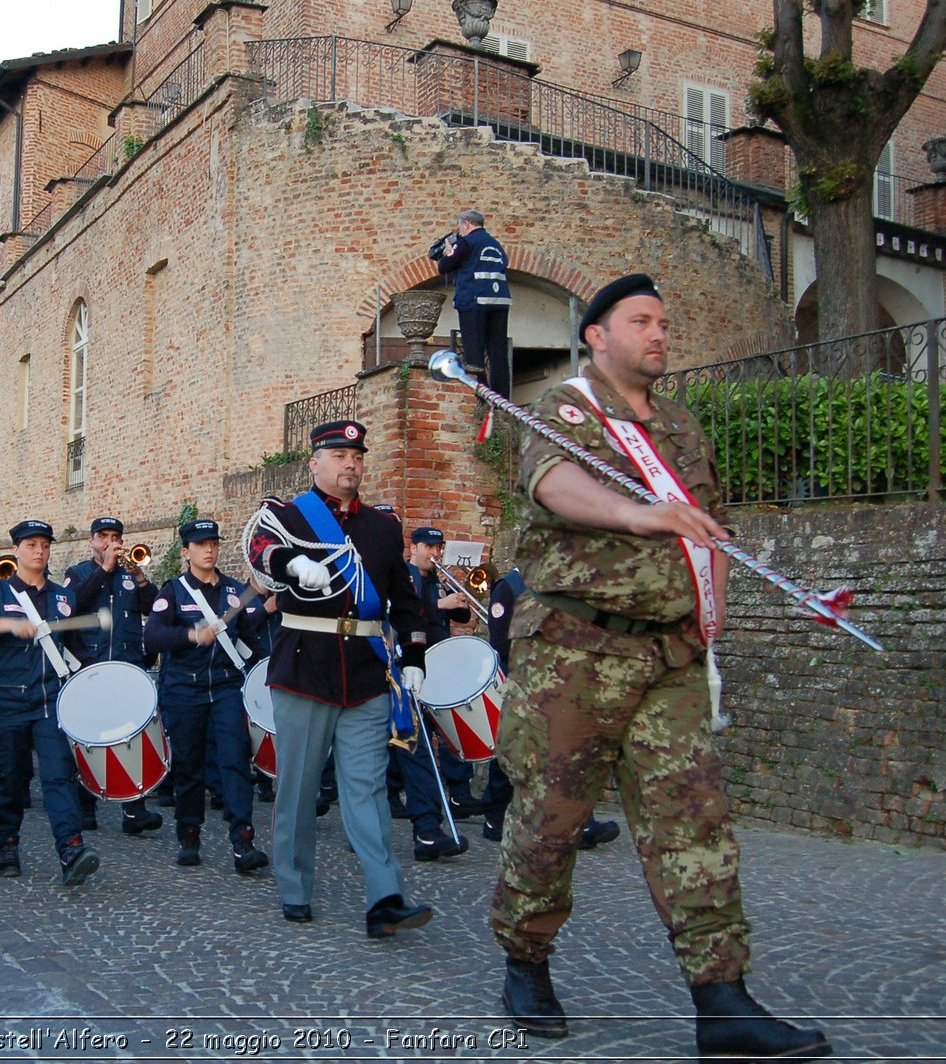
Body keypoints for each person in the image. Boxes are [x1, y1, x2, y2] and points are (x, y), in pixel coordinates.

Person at [490, 274, 830, 1060]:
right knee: (550, 821)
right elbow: (555, 482)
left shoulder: (678, 423)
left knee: (695, 818)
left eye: (665, 323)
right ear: (596, 335)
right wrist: (638, 510)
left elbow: (704, 527)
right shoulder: (564, 410)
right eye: (641, 320)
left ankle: (723, 1001)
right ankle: (526, 960)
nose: (659, 334)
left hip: (670, 655)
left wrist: (707, 609)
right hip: (575, 654)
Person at [246, 420, 434, 939]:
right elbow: (262, 552)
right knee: (300, 787)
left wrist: (415, 652)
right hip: (306, 667)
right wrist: (290, 564)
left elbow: (405, 598)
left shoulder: (381, 527)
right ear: (314, 462)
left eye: (356, 455)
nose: (349, 464)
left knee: (368, 789)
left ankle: (385, 896)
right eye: (338, 455)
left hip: (367, 674)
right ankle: (294, 887)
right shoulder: (287, 517)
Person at [0, 520, 100, 887]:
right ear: (16, 550)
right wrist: (6, 625)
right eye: (32, 545)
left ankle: (71, 848)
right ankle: (7, 843)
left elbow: (75, 649)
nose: (39, 551)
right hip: (6, 698)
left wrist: (93, 680)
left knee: (58, 775)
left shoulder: (63, 598)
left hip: (49, 701)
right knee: (8, 777)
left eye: (45, 545)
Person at [144, 518, 273, 871]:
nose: (210, 550)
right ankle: (188, 834)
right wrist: (190, 637)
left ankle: (243, 841)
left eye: (214, 543)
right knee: (188, 766)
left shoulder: (233, 591)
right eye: (201, 545)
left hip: (227, 687)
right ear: (186, 552)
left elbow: (250, 637)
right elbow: (152, 638)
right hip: (185, 689)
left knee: (234, 762)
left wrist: (269, 671)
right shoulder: (173, 592)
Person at [485, 565, 620, 849]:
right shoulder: (508, 588)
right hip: (520, 678)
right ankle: (495, 818)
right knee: (512, 752)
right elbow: (499, 642)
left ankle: (580, 823)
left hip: (556, 681)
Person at [62, 516, 164, 836]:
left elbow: (156, 608)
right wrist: (104, 569)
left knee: (130, 734)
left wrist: (142, 578)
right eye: (103, 536)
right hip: (90, 666)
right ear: (92, 541)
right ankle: (85, 806)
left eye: (116, 536)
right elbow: (71, 605)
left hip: (127, 664)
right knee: (87, 735)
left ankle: (134, 809)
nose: (111, 542)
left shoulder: (130, 575)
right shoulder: (77, 573)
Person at [392, 526, 475, 860]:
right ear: (414, 547)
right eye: (430, 547)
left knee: (430, 743)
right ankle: (424, 826)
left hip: (436, 670)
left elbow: (466, 618)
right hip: (406, 669)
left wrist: (458, 602)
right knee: (415, 747)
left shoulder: (436, 579)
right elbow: (402, 614)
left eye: (439, 547)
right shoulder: (405, 577)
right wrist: (440, 603)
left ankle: (447, 806)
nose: (436, 553)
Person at [434, 209, 512, 398]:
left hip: (473, 301)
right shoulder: (496, 245)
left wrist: (447, 253)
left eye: (461, 227)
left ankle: (481, 396)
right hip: (500, 301)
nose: (460, 231)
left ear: (467, 224)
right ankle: (502, 399)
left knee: (474, 353)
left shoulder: (466, 242)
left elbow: (444, 267)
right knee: (498, 352)